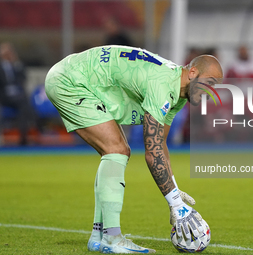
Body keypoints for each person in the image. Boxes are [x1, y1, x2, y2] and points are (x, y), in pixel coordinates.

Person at [45, 45, 223, 254]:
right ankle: (112, 238)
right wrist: (176, 205)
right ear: (193, 72)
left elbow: (161, 143)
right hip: (70, 80)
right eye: (209, 83)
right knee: (117, 150)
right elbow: (152, 152)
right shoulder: (163, 85)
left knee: (115, 151)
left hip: (77, 77)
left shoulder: (177, 90)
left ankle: (99, 236)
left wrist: (174, 191)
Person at [0, 42, 34, 145]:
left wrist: (16, 63)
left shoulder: (17, 66)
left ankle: (23, 138)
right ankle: (39, 127)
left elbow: (23, 78)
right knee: (24, 102)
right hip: (3, 97)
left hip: (17, 97)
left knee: (25, 104)